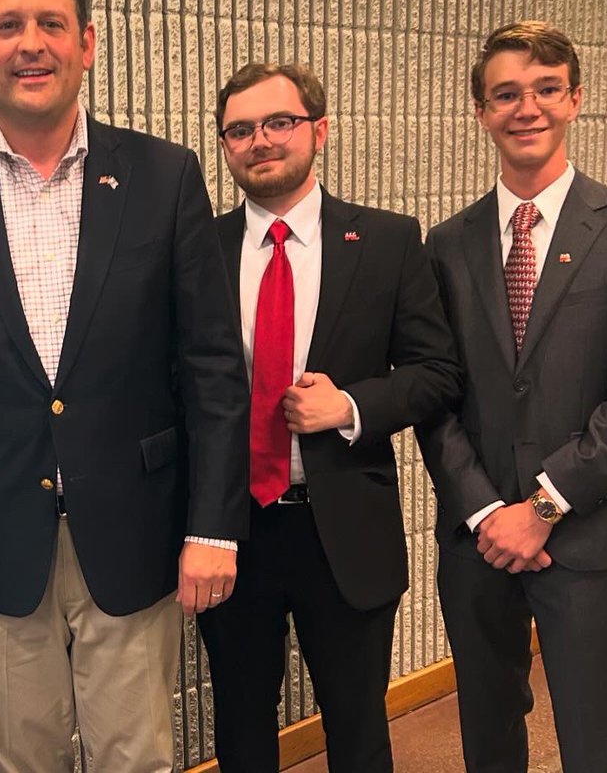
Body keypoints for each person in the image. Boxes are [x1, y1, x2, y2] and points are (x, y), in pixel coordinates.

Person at [0, 0, 249, 772]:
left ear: (87, 42)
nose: (31, 44)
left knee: (138, 757)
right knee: (25, 760)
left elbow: (213, 371)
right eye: (7, 26)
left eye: (51, 23)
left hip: (136, 530)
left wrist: (212, 527)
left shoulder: (164, 176)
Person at [418, 21, 607, 773]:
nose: (525, 108)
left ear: (575, 100)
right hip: (476, 541)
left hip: (585, 535)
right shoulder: (445, 244)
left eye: (544, 90)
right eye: (505, 94)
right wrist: (484, 510)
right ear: (481, 111)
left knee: (598, 737)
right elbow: (434, 395)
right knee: (488, 733)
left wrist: (539, 510)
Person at [198, 62, 462, 772]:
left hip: (343, 527)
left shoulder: (387, 241)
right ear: (226, 145)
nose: (261, 141)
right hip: (234, 529)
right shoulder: (199, 249)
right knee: (242, 726)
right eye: (240, 129)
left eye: (279, 122)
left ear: (318, 129)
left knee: (357, 727)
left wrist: (349, 405)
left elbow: (437, 372)